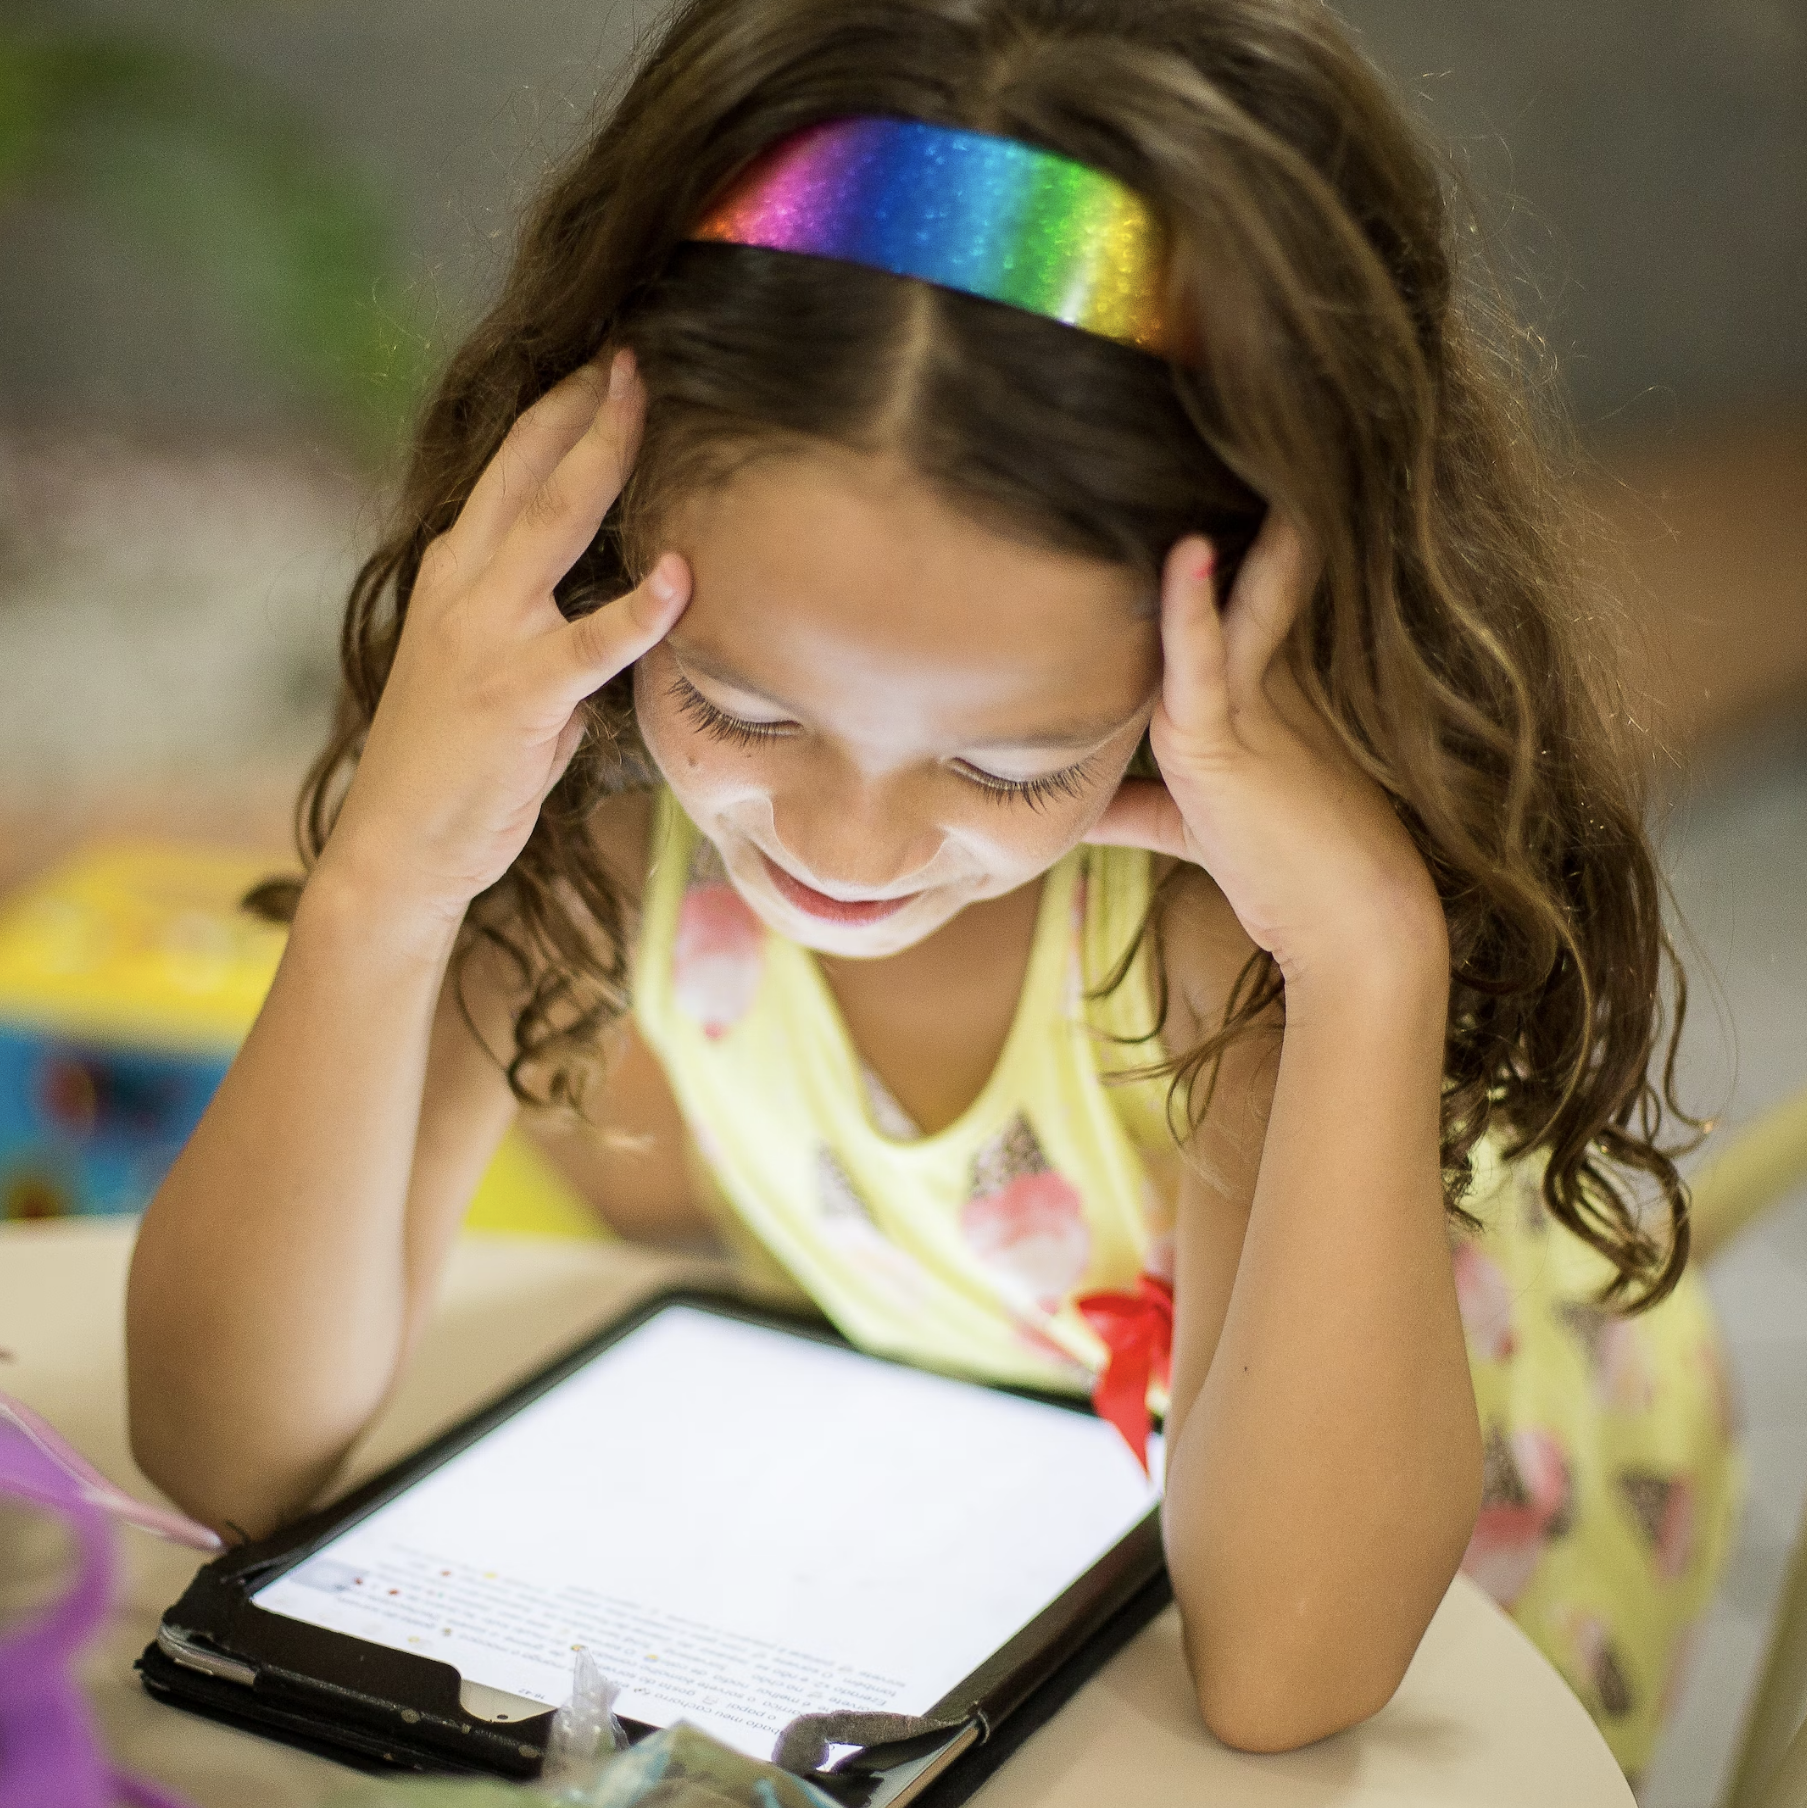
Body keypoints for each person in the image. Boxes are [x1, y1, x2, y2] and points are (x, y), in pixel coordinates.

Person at [124, 0, 1736, 1772]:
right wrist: (388, 875)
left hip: (1447, 1558)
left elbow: (1287, 1672)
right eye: (739, 706)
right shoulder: (584, 808)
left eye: (1005, 762)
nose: (847, 847)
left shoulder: (1227, 930)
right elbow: (227, 1449)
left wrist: (1363, 955)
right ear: (594, 549)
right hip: (979, 1506)